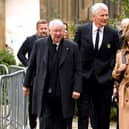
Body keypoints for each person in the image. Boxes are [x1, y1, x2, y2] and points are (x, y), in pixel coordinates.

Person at [22, 19, 82, 129]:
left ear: (64, 31)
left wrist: (77, 88)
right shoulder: (39, 44)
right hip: (44, 92)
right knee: (45, 121)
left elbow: (78, 70)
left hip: (63, 93)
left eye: (61, 31)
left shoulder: (72, 47)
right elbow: (31, 66)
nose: (58, 34)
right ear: (50, 31)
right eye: (55, 31)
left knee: (61, 123)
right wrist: (26, 85)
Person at [74, 3, 120, 129]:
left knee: (102, 114)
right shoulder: (82, 30)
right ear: (94, 17)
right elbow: (75, 53)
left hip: (104, 80)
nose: (105, 18)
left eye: (107, 15)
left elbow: (116, 55)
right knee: (83, 113)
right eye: (102, 15)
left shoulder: (113, 33)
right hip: (85, 78)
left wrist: (111, 73)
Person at [17, 19, 48, 129]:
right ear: (37, 29)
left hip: (48, 77)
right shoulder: (30, 40)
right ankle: (33, 125)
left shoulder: (52, 40)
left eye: (46, 28)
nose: (44, 31)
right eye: (42, 29)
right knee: (33, 103)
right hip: (34, 77)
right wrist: (28, 64)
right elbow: (20, 54)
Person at [112, 31, 129, 129]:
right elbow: (114, 75)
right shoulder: (121, 55)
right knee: (125, 123)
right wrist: (120, 69)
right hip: (124, 91)